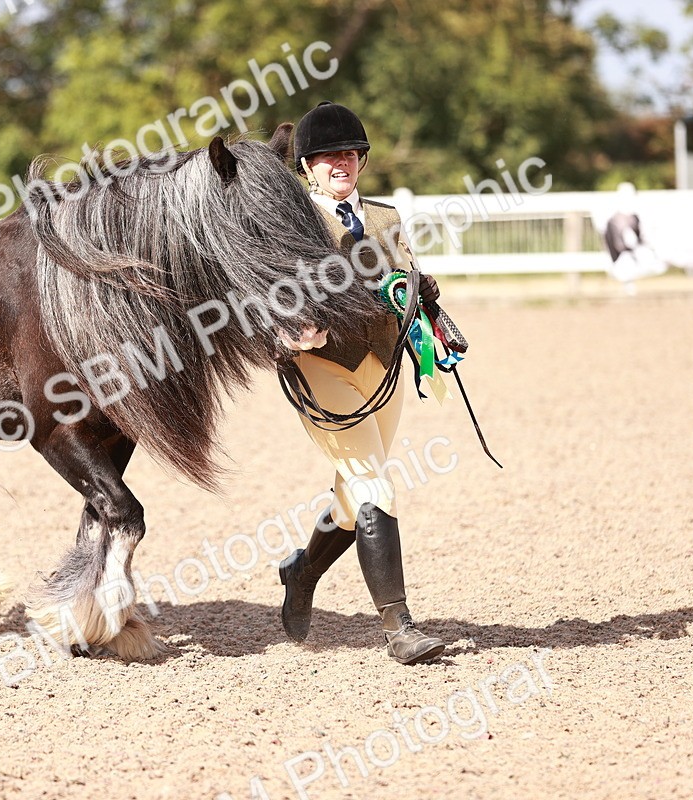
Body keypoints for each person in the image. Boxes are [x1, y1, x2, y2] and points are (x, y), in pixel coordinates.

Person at [276, 101, 446, 665]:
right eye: (327, 155)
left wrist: (423, 298)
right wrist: (287, 326)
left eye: (349, 152)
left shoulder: (384, 218)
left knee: (353, 497)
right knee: (376, 485)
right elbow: (264, 295)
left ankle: (301, 573)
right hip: (320, 367)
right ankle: (399, 628)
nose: (340, 162)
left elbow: (404, 275)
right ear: (306, 165)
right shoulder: (289, 219)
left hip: (383, 365)